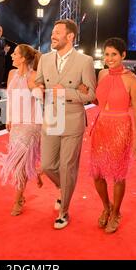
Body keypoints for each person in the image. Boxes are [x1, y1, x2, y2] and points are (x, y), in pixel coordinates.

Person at [34, 19, 96, 229]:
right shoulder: (44, 58)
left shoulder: (85, 61)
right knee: (47, 165)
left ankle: (64, 211)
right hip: (51, 118)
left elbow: (91, 94)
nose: (53, 35)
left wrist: (66, 92)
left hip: (72, 119)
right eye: (53, 32)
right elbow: (39, 81)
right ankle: (65, 188)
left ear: (70, 37)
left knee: (67, 166)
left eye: (57, 32)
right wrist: (38, 86)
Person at [81, 37, 136, 233]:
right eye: (107, 54)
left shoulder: (132, 79)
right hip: (101, 126)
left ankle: (116, 213)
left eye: (114, 54)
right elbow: (100, 102)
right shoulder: (103, 74)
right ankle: (106, 207)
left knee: (117, 174)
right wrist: (84, 91)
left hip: (121, 127)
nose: (109, 58)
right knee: (97, 174)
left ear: (123, 55)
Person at [0, 44, 43, 216]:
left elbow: (40, 97)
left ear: (23, 58)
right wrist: (8, 118)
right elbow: (9, 98)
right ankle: (36, 172)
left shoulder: (34, 76)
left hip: (31, 123)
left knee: (19, 164)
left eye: (15, 54)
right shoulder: (11, 74)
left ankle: (18, 199)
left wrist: (39, 90)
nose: (11, 56)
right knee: (20, 163)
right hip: (16, 123)